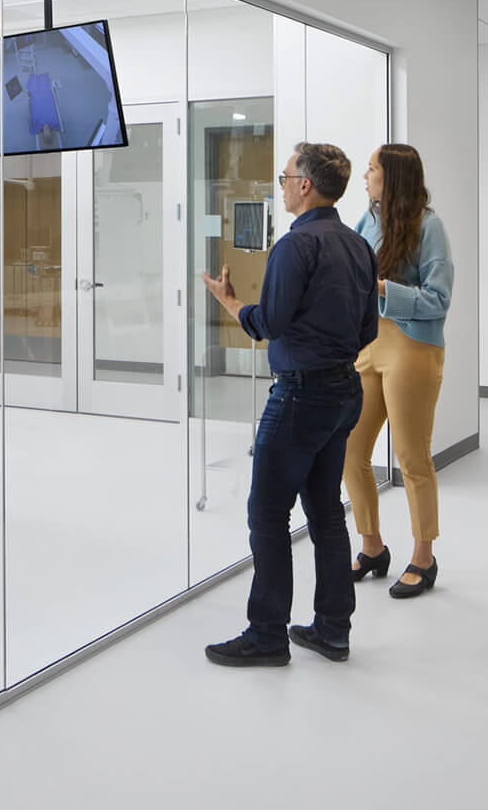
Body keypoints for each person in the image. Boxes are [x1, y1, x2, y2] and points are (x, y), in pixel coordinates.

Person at [199, 142, 377, 667]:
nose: (280, 186)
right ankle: (332, 631)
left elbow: (270, 323)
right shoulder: (357, 245)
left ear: (305, 185)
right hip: (345, 391)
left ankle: (267, 635)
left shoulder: (295, 247)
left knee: (267, 512)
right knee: (324, 511)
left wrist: (230, 302)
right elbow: (367, 328)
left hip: (301, 394)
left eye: (284, 178)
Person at [346, 145, 455, 599]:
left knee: (411, 457)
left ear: (393, 177)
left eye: (372, 168)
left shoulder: (430, 227)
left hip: (411, 345)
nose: (366, 174)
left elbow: (438, 299)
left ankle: (423, 558)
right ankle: (372, 546)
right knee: (349, 448)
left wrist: (384, 288)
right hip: (368, 344)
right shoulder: (366, 221)